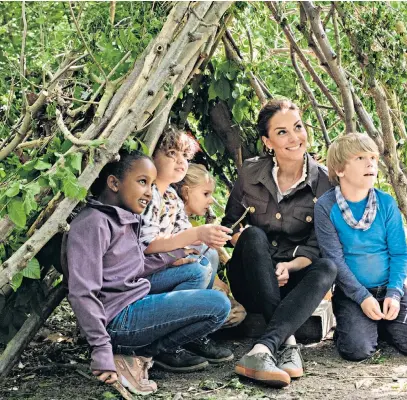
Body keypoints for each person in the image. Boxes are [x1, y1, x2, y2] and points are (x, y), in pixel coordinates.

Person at [64, 151, 231, 396]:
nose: (148, 192)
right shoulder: (93, 224)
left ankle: (138, 354)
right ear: (114, 183)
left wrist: (174, 257)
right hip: (117, 320)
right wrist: (100, 349)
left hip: (132, 299)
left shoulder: (125, 218)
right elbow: (82, 293)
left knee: (196, 268)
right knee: (219, 305)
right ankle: (140, 354)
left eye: (152, 185)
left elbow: (130, 266)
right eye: (143, 182)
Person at [222, 99, 337, 388]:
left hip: (293, 281)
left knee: (327, 267)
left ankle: (264, 349)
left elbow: (317, 245)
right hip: (251, 279)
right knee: (253, 235)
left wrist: (289, 265)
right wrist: (251, 248)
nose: (295, 137)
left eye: (298, 127)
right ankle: (287, 342)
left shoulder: (325, 183)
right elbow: (230, 225)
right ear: (267, 141)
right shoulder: (249, 174)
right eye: (282, 132)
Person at [314, 133, 407, 361]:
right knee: (357, 351)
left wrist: (395, 293)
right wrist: (361, 297)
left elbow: (399, 253)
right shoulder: (326, 207)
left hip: (389, 290)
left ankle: (383, 324)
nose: (370, 163)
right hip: (352, 294)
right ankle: (355, 327)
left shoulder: (386, 203)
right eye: (360, 158)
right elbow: (335, 260)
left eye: (373, 158)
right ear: (340, 170)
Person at [141, 128, 234, 366]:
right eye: (172, 153)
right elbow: (146, 244)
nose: (180, 161)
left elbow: (186, 236)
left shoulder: (171, 196)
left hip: (166, 267)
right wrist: (183, 246)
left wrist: (208, 237)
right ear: (152, 156)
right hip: (147, 275)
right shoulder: (148, 194)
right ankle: (168, 344)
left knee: (208, 253)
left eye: (185, 156)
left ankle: (190, 334)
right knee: (198, 270)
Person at [175, 163, 247, 328]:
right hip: (177, 291)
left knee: (237, 311)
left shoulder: (191, 223)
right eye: (206, 194)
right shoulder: (174, 224)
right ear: (186, 192)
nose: (211, 201)